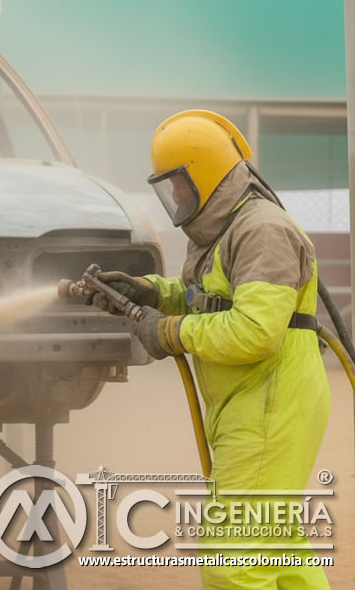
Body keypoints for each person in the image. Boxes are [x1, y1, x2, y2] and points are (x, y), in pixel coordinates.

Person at [89, 110, 331, 589]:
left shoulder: (261, 231)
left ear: (206, 174)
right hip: (253, 403)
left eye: (179, 185)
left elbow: (255, 331)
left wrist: (169, 332)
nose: (176, 197)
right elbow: (207, 300)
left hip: (269, 405)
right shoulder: (220, 232)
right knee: (279, 550)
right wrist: (152, 292)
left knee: (232, 562)